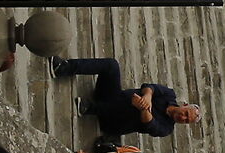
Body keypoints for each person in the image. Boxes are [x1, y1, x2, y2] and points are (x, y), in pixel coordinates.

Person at [54, 59, 201, 141]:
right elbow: (150, 87)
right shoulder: (169, 95)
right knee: (112, 65)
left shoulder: (166, 129)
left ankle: (90, 108)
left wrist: (143, 108)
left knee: (134, 111)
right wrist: (147, 96)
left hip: (112, 121)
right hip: (113, 96)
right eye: (186, 113)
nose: (183, 117)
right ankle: (64, 68)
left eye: (186, 120)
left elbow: (150, 124)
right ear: (185, 105)